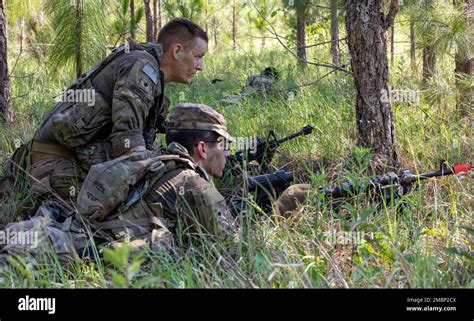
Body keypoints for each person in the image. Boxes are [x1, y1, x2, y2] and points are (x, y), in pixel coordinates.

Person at [0, 17, 209, 209]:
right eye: (198, 56)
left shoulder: (149, 75)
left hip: (67, 162)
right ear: (177, 51)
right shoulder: (141, 67)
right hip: (55, 167)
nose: (200, 66)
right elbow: (130, 148)